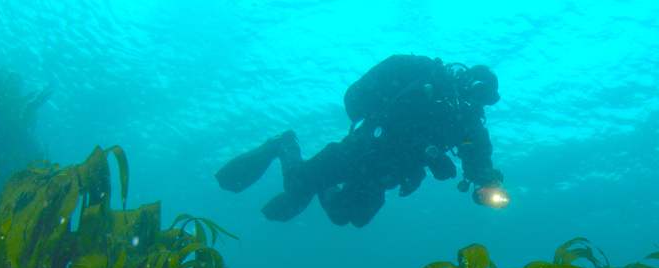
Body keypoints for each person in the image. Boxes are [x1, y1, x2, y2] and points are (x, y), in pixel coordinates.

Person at [215, 55, 506, 227]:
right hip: (362, 151)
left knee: (348, 218)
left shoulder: (469, 124)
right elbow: (396, 117)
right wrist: (431, 154)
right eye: (477, 91)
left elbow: (479, 161)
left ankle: (318, 184)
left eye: (484, 99)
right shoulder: (428, 86)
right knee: (296, 186)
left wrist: (487, 181)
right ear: (465, 80)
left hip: (388, 174)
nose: (475, 102)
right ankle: (284, 144)